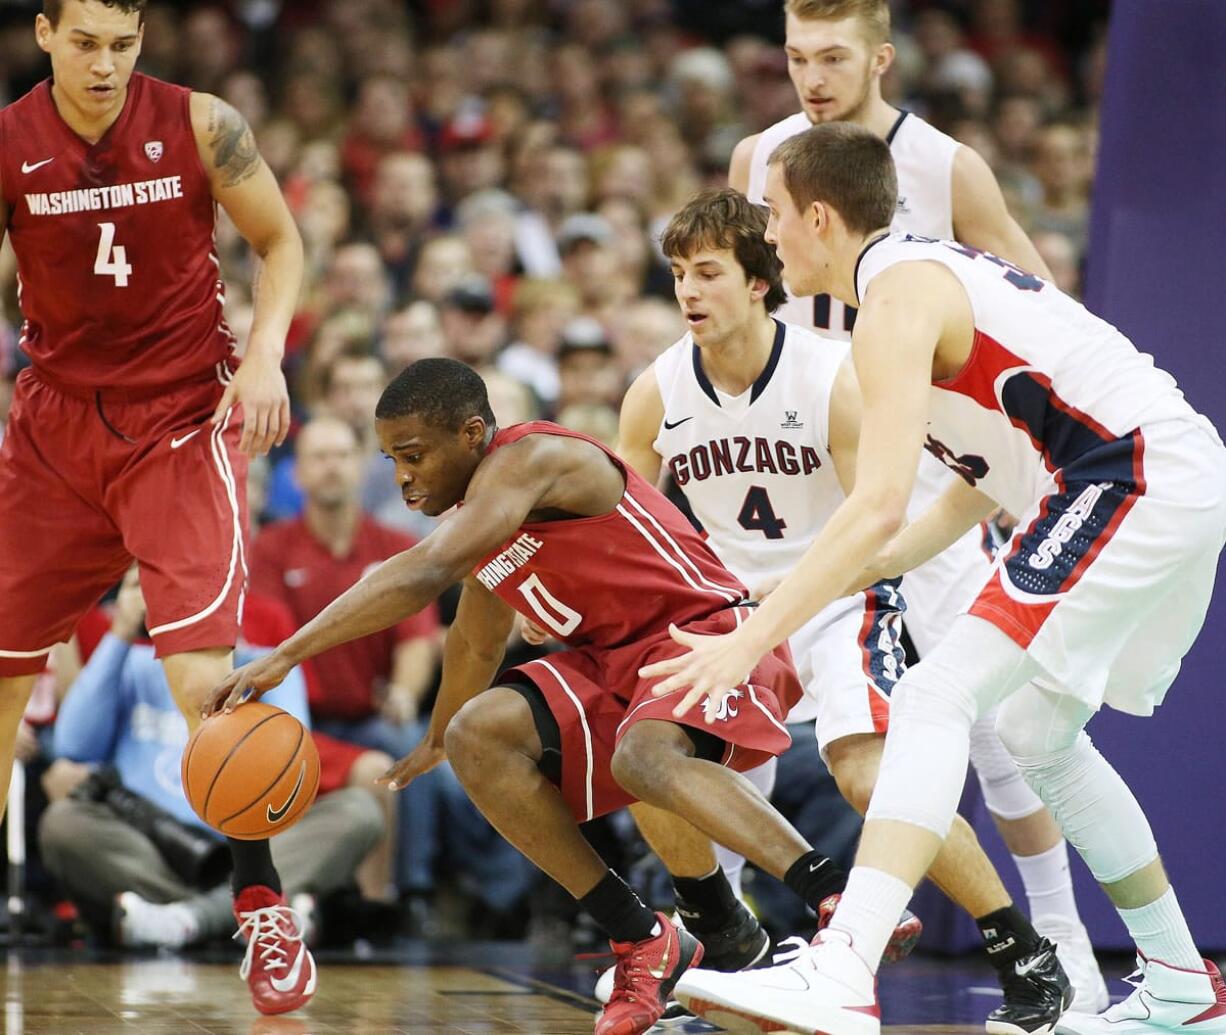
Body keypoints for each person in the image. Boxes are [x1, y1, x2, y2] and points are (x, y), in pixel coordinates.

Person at [655, 123, 1226, 1035]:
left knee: (932, 698)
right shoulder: (917, 279)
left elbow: (874, 502)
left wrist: (750, 640)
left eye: (770, 214)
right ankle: (1179, 982)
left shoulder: (894, 297)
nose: (765, 231)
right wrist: (866, 570)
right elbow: (976, 474)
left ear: (816, 216)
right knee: (1036, 730)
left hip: (1130, 472)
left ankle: (841, 970)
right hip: (1150, 474)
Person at [204, 358, 912, 1035]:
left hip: (704, 633)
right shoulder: (484, 522)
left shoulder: (532, 458)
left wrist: (286, 654)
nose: (402, 476)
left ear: (472, 435)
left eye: (414, 454)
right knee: (477, 736)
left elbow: (427, 567)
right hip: (615, 665)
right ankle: (640, 937)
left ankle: (835, 893)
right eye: (390, 459)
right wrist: (435, 736)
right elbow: (475, 644)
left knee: (643, 755)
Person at [727, 0, 1106, 1012]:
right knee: (743, 710)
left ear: (880, 57)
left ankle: (1058, 947)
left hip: (925, 471)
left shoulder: (944, 168)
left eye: (832, 56)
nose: (810, 76)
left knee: (998, 733)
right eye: (796, 56)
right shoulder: (759, 154)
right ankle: (734, 943)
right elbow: (741, 294)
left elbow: (1042, 302)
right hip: (804, 467)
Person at [612, 186, 1066, 1028]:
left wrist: (792, 598)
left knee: (871, 777)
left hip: (833, 600)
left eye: (707, 272)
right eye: (677, 273)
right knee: (641, 748)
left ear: (758, 281)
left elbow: (874, 520)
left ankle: (1021, 948)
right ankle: (726, 936)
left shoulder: (831, 374)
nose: (688, 291)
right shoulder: (655, 391)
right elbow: (626, 526)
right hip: (726, 618)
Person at [0, 0, 311, 1014]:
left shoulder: (202, 122)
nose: (103, 65)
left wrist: (262, 356)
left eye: (122, 45)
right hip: (53, 429)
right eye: (84, 43)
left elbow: (281, 243)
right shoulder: (9, 145)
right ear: (44, 33)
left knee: (199, 684)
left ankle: (263, 910)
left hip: (180, 423)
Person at [39, 568, 385, 950]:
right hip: (151, 845)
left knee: (360, 812)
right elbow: (72, 745)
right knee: (62, 824)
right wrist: (121, 632)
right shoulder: (132, 663)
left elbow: (290, 764)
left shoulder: (266, 667)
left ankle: (183, 921)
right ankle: (250, 915)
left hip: (254, 847)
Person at [248, 417, 439, 899]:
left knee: (408, 744)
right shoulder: (267, 551)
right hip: (295, 717)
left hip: (369, 714)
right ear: (298, 475)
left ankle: (400, 895)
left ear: (359, 468)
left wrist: (403, 692)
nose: (332, 467)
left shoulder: (398, 548)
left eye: (341, 455)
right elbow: (270, 636)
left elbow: (416, 638)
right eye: (319, 457)